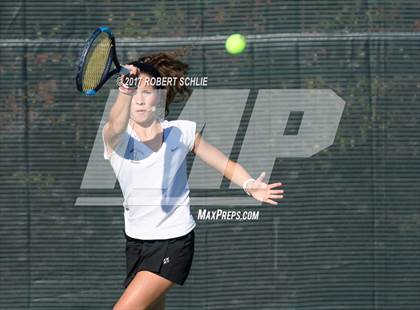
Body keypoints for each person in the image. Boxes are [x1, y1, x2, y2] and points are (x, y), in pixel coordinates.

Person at [102, 51, 284, 310]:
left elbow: (226, 165)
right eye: (135, 93)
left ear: (159, 96)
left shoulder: (182, 132)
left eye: (148, 91)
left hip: (174, 241)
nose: (140, 100)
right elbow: (115, 124)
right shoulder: (115, 139)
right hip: (136, 243)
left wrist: (248, 183)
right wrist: (125, 90)